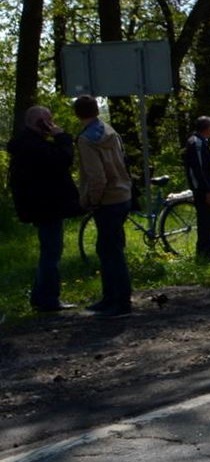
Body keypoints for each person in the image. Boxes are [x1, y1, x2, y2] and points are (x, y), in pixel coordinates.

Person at [7, 106, 82, 312]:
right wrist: (61, 137)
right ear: (40, 122)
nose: (52, 124)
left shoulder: (26, 143)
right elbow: (63, 160)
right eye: (48, 120)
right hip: (47, 206)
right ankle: (48, 298)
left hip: (40, 204)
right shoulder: (34, 146)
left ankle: (39, 296)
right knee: (51, 253)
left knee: (48, 251)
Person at [73, 95, 134, 318]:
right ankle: (110, 298)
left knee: (110, 252)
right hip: (122, 194)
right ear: (97, 110)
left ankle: (120, 302)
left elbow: (96, 176)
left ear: (77, 114)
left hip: (107, 200)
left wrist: (92, 200)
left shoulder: (86, 140)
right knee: (110, 249)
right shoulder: (109, 131)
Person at [182, 116, 210, 263]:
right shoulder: (196, 143)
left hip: (209, 188)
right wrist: (207, 191)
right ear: (207, 128)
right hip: (204, 190)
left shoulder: (201, 142)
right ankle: (204, 256)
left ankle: (208, 253)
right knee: (206, 223)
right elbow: (198, 170)